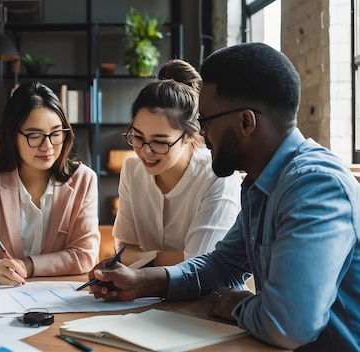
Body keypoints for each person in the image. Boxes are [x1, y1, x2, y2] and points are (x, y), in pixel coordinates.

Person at [86, 42, 360, 351]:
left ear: (246, 122)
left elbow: (288, 326)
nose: (201, 134)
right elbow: (224, 264)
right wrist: (142, 283)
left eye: (206, 120)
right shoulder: (262, 182)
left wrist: (233, 304)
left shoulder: (315, 186)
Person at [0, 81, 100, 286]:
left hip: (61, 298)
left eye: (56, 133)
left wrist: (28, 265)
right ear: (12, 136)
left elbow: (85, 255)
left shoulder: (83, 180)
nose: (47, 146)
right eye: (35, 136)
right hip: (2, 297)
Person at [114, 59, 242, 267]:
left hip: (211, 295)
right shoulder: (132, 170)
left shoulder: (217, 176)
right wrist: (171, 258)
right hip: (146, 293)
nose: (145, 151)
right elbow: (123, 247)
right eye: (138, 137)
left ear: (191, 135)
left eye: (160, 142)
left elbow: (199, 263)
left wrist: (140, 260)